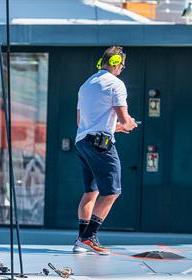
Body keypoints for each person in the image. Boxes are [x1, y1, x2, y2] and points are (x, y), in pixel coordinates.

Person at [73, 46, 138, 255]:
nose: (122, 69)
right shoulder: (116, 84)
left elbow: (81, 121)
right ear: (117, 63)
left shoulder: (86, 85)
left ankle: (80, 240)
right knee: (112, 192)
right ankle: (88, 237)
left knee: (90, 192)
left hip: (83, 142)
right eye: (122, 65)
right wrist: (129, 124)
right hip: (101, 145)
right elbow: (123, 118)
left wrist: (116, 127)